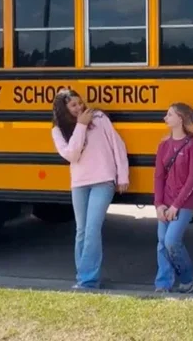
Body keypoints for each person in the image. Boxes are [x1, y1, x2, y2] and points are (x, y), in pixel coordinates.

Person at [50, 88, 129, 290]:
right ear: (64, 110)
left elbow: (117, 145)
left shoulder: (99, 117)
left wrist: (123, 175)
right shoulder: (58, 130)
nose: (79, 107)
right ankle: (83, 276)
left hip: (103, 180)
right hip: (79, 183)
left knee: (93, 229)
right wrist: (81, 126)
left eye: (80, 103)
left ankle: (88, 280)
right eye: (73, 105)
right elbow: (71, 155)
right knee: (82, 231)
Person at [153, 102, 193, 294]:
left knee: (171, 241)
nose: (166, 118)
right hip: (166, 201)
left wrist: (175, 205)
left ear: (180, 119)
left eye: (170, 114)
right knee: (161, 241)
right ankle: (163, 283)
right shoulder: (164, 145)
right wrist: (159, 204)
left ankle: (187, 276)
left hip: (184, 202)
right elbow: (158, 176)